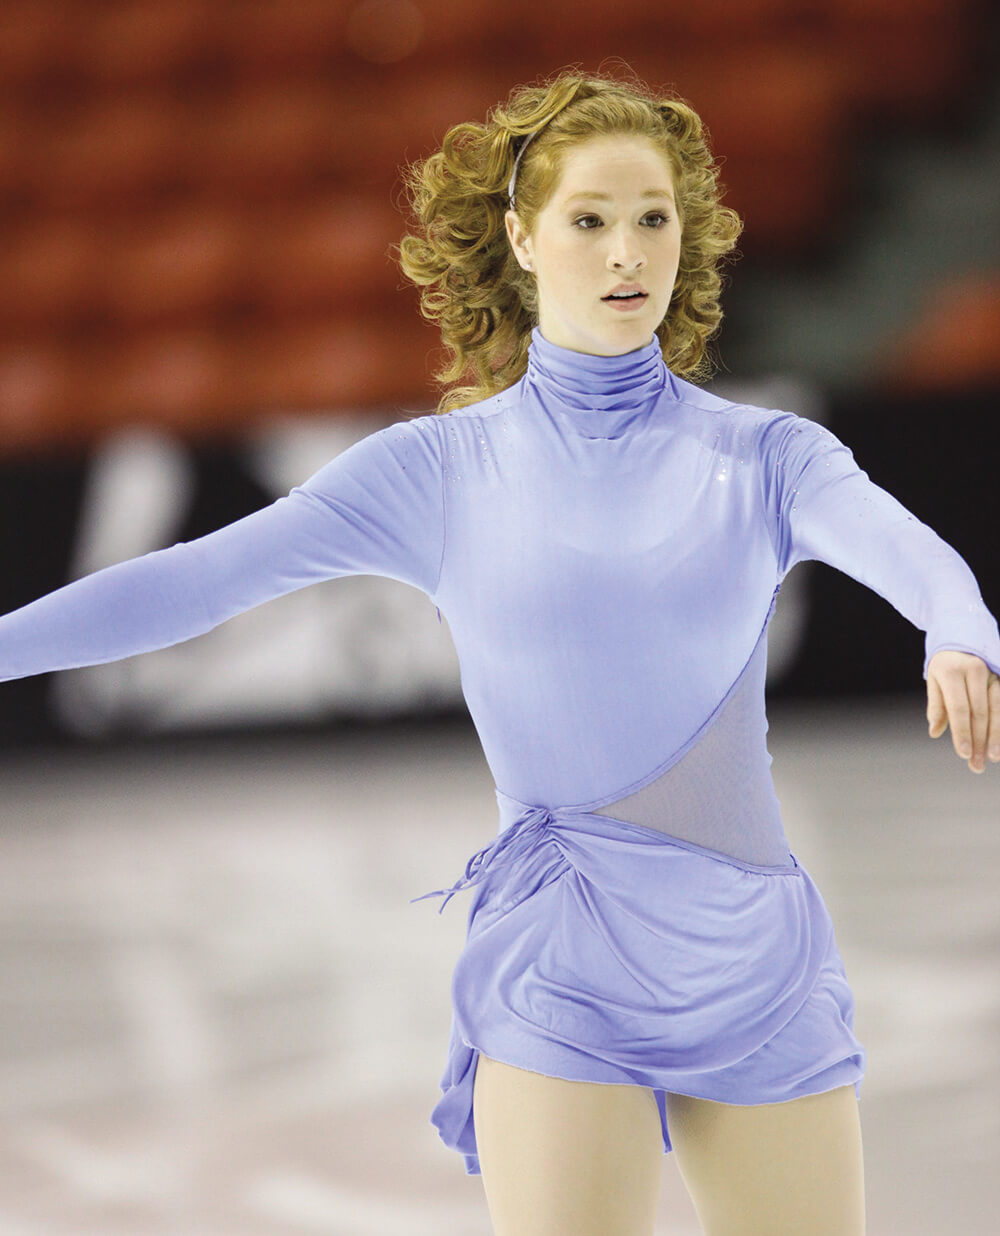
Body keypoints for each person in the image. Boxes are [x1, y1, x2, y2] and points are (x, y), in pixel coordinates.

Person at [1, 68, 998, 1236]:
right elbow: (197, 582)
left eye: (653, 219)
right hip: (558, 954)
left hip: (751, 957)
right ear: (522, 238)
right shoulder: (432, 472)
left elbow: (915, 554)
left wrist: (957, 629)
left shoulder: (770, 456)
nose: (628, 252)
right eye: (590, 221)